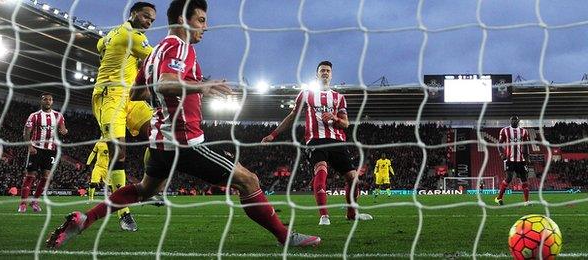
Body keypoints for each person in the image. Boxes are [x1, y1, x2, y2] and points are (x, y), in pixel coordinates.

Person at [46, 0, 320, 249]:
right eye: (200, 20)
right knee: (249, 180)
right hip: (184, 141)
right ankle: (285, 238)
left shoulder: (155, 52)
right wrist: (202, 86)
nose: (205, 26)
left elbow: (136, 93)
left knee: (144, 190)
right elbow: (165, 83)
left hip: (160, 142)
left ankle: (85, 219)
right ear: (181, 20)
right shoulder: (180, 46)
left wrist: (174, 91)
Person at [262, 60, 372, 226]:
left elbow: (346, 124)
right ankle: (324, 216)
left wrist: (334, 118)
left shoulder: (339, 98)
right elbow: (292, 116)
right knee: (321, 172)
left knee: (352, 178)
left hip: (337, 141)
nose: (325, 73)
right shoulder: (306, 94)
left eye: (328, 70)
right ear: (317, 74)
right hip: (315, 140)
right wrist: (273, 134)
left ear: (331, 74)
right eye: (322, 71)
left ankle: (352, 213)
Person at [91, 1, 157, 231]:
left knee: (159, 133)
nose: (149, 22)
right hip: (109, 97)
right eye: (146, 16)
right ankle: (123, 211)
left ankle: (151, 186)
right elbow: (158, 59)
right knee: (118, 153)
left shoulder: (109, 36)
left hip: (130, 97)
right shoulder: (134, 36)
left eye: (152, 20)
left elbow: (101, 46)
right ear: (133, 14)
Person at [19, 93, 67, 213]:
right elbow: (26, 132)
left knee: (46, 177)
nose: (48, 101)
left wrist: (64, 131)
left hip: (51, 150)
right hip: (36, 148)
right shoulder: (34, 116)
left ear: (52, 102)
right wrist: (29, 146)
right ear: (41, 101)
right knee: (30, 176)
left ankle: (35, 201)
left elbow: (64, 129)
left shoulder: (58, 115)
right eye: (45, 99)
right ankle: (23, 203)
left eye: (50, 99)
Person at [494, 115, 531, 206]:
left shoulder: (524, 131)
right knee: (509, 178)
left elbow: (526, 145)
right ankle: (499, 198)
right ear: (510, 121)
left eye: (516, 120)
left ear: (518, 121)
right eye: (512, 120)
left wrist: (527, 158)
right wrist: (502, 154)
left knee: (524, 180)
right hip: (509, 159)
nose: (514, 121)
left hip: (521, 160)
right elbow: (499, 144)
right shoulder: (504, 130)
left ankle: (526, 201)